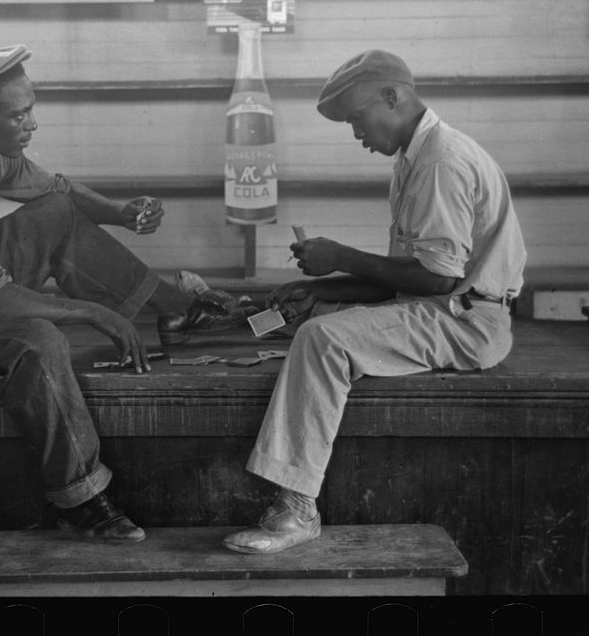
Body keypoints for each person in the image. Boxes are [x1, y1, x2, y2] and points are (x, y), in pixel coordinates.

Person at [0, 44, 256, 543]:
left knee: (52, 213)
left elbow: (58, 190)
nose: (32, 123)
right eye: (20, 114)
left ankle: (179, 312)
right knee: (39, 339)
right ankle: (82, 497)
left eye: (32, 108)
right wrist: (93, 313)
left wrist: (121, 212)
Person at [223, 50, 527, 555]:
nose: (357, 133)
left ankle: (296, 508)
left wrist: (340, 255)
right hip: (443, 307)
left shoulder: (441, 160)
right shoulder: (416, 158)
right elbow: (402, 282)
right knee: (312, 316)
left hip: (467, 322)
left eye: (357, 118)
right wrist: (321, 288)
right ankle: (286, 328)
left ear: (393, 96)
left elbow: (434, 281)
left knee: (320, 340)